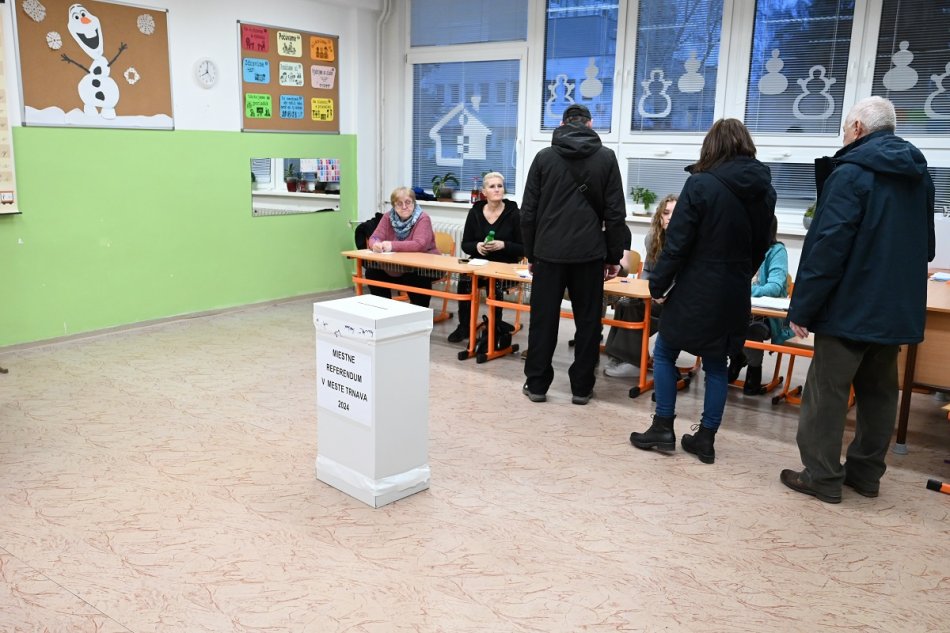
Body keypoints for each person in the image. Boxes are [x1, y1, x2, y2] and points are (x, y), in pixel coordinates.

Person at [780, 96, 935, 503]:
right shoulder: (920, 175)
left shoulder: (850, 173)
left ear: (858, 129)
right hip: (894, 307)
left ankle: (822, 476)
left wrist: (804, 307)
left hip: (848, 305)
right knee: (880, 393)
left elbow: (828, 246)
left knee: (827, 393)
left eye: (845, 129)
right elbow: (927, 246)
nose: (843, 137)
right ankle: (865, 475)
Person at [630, 118, 776, 463]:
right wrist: (742, 274)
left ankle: (663, 426)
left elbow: (678, 243)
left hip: (696, 286)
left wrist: (658, 283)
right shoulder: (765, 191)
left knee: (665, 351)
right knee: (717, 363)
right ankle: (706, 438)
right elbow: (762, 244)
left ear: (711, 147)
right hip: (734, 291)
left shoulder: (700, 184)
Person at [520, 103, 628, 405]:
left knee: (543, 321)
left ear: (562, 124)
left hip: (548, 254)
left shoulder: (544, 158)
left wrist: (531, 254)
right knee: (589, 322)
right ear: (590, 124)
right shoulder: (606, 158)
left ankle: (537, 385)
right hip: (589, 255)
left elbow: (528, 213)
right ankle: (581, 388)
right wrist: (613, 257)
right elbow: (615, 213)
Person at [603, 193, 678, 378]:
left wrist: (662, 293)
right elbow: (648, 272)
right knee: (624, 302)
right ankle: (618, 356)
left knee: (633, 308)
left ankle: (633, 361)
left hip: (676, 299)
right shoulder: (653, 238)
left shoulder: (687, 241)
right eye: (665, 213)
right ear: (659, 216)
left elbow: (685, 278)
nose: (669, 218)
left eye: (674, 213)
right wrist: (649, 290)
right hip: (656, 294)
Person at [447, 172, 524, 343]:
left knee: (494, 283)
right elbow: (466, 244)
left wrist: (503, 245)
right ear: (484, 192)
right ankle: (464, 326)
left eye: (500, 186)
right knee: (465, 279)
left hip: (505, 265)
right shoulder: (475, 212)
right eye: (492, 186)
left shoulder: (514, 213)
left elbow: (524, 248)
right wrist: (477, 246)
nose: (497, 189)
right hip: (480, 263)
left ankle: (494, 327)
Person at [727, 216, 794, 394]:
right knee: (721, 319)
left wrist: (744, 290)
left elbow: (775, 286)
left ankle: (754, 369)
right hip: (740, 310)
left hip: (767, 317)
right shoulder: (740, 248)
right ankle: (736, 357)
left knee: (752, 328)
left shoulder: (777, 251)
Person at [365, 187, 440, 308]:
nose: (404, 207)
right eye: (399, 204)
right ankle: (383, 310)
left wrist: (392, 245)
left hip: (423, 266)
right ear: (394, 206)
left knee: (415, 277)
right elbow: (374, 237)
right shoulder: (388, 217)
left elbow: (419, 244)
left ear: (414, 203)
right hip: (398, 266)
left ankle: (418, 314)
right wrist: (375, 244)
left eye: (408, 202)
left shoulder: (423, 218)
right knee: (372, 272)